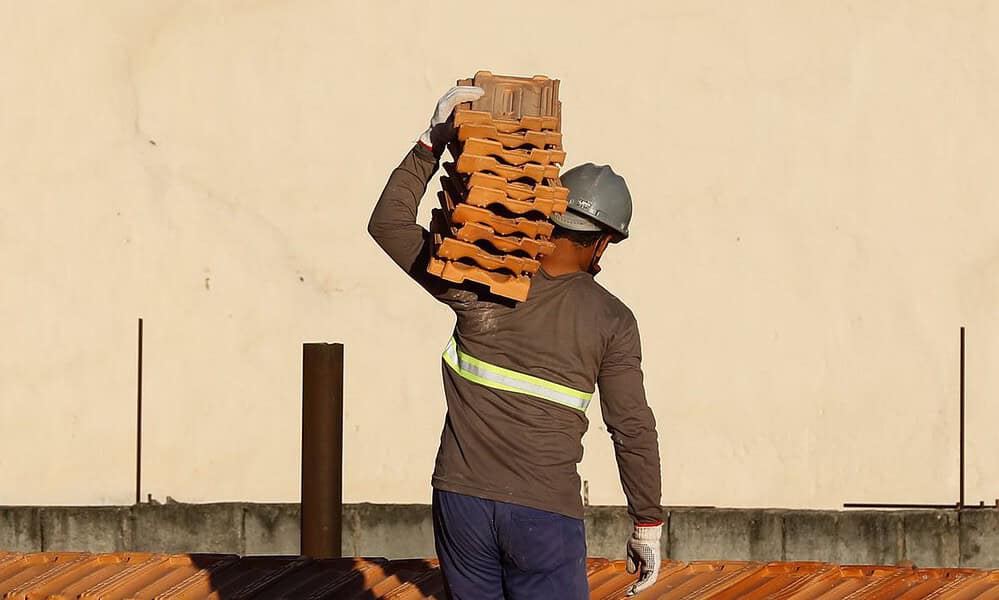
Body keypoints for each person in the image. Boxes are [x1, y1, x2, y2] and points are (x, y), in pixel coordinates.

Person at [368, 85, 663, 599]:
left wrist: (430, 142)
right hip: (544, 516)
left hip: (461, 502)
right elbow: (631, 427)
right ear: (601, 241)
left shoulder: (477, 277)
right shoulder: (612, 320)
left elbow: (388, 224)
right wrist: (647, 523)